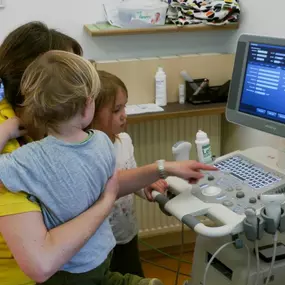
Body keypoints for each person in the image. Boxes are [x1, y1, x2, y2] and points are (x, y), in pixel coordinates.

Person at [0, 21, 216, 285]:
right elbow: (41, 264)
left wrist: (162, 168)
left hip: (93, 262)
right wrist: (105, 204)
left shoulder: (74, 142)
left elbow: (107, 182)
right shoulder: (22, 154)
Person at [92, 70, 168, 277]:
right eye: (117, 110)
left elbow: (132, 177)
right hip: (100, 241)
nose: (124, 115)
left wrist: (146, 187)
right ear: (90, 112)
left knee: (133, 276)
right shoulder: (87, 154)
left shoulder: (124, 141)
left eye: (124, 106)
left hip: (127, 233)